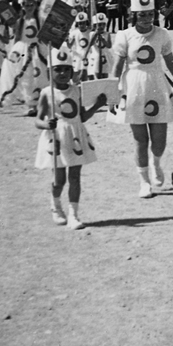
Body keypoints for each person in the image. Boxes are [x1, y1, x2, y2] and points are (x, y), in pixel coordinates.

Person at [109, 0, 173, 198]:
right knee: (140, 140)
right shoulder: (124, 35)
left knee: (159, 138)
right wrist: (109, 92)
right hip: (133, 87)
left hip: (157, 85)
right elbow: (116, 68)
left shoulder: (162, 34)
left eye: (150, 14)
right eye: (141, 15)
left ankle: (156, 164)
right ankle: (144, 181)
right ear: (133, 16)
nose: (146, 19)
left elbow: (170, 61)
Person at [34, 47, 107, 230]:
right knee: (59, 179)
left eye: (66, 69)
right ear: (49, 72)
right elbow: (37, 120)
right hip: (57, 138)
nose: (63, 73)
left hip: (75, 136)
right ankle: (56, 206)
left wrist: (97, 105)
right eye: (58, 69)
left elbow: (81, 117)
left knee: (75, 176)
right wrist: (46, 124)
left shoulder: (77, 91)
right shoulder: (46, 93)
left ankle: (74, 214)